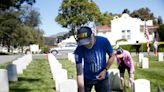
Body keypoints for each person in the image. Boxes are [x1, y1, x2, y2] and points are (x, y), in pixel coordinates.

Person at [74, 26, 115, 92]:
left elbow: (112, 56)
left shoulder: (103, 41)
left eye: (88, 42)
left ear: (92, 35)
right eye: (84, 43)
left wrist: (105, 70)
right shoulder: (79, 48)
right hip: (87, 78)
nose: (86, 45)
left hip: (102, 77)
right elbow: (79, 72)